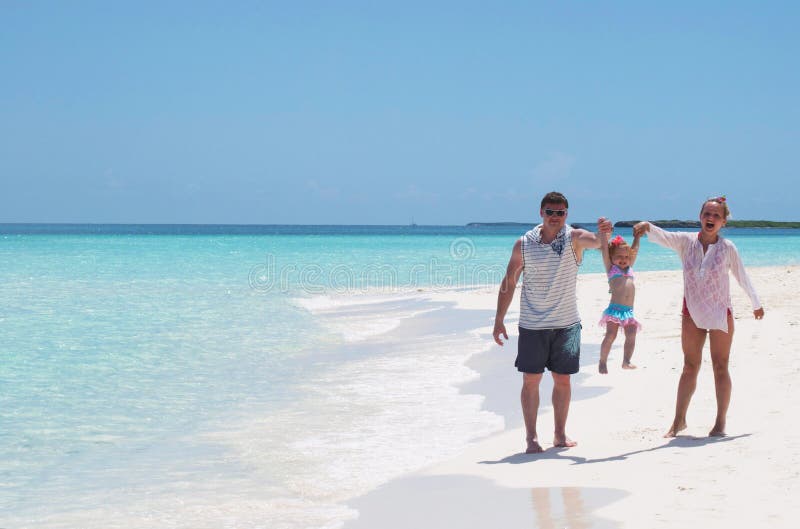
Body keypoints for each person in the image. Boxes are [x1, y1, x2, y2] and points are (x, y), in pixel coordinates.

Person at [633, 196, 764, 437]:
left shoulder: (727, 248)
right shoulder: (686, 242)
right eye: (707, 214)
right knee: (689, 367)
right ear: (700, 217)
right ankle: (678, 420)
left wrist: (756, 303)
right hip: (691, 313)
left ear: (723, 221)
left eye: (716, 215)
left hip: (719, 314)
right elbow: (665, 237)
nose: (710, 218)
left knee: (720, 367)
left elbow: (742, 276)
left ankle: (720, 422)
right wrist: (647, 226)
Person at [493, 191, 612, 453]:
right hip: (532, 325)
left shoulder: (573, 238)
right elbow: (509, 282)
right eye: (550, 212)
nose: (555, 217)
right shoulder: (524, 243)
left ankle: (559, 434)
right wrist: (499, 319)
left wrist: (604, 232)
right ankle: (532, 438)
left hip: (567, 324)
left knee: (563, 380)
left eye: (560, 213)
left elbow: (597, 242)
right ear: (541, 213)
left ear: (566, 215)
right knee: (531, 381)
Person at [597, 227, 642, 373]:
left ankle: (626, 361)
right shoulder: (611, 269)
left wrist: (637, 237)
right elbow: (604, 250)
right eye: (619, 257)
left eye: (626, 257)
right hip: (615, 310)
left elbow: (634, 250)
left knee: (631, 334)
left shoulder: (629, 268)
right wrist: (604, 236)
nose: (623, 260)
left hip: (628, 311)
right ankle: (602, 361)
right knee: (611, 335)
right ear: (611, 257)